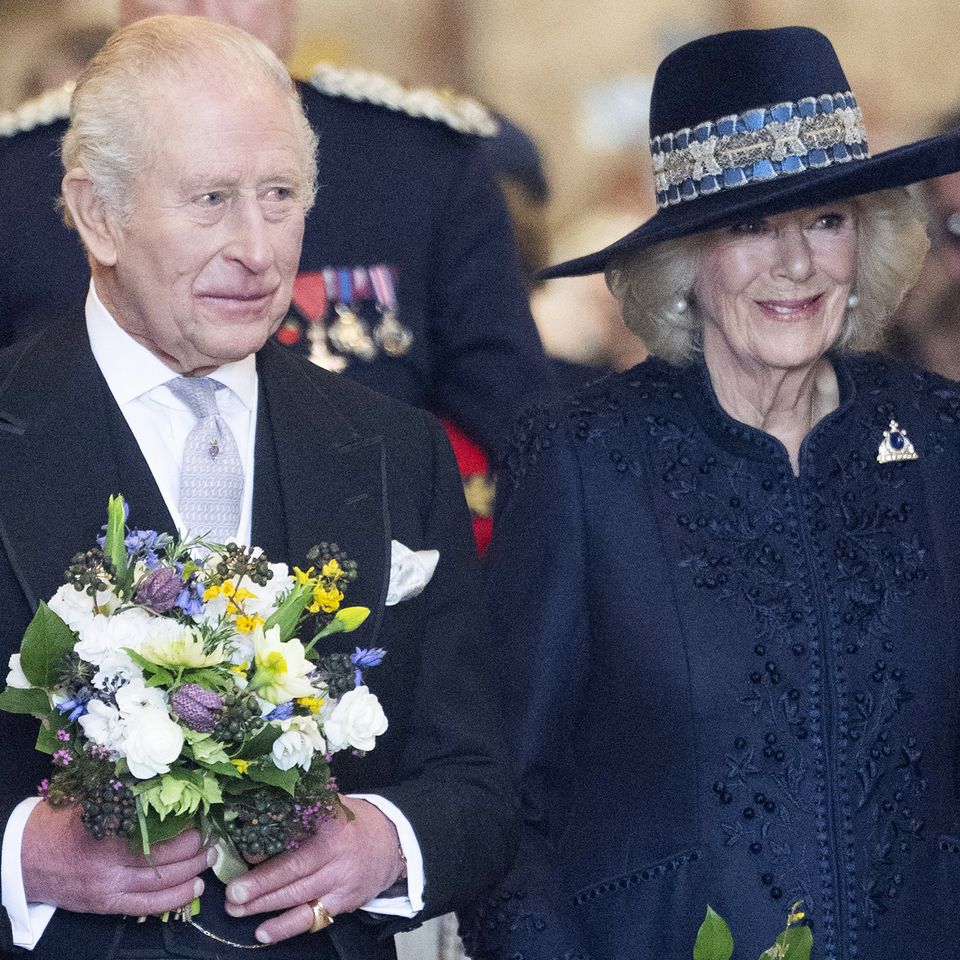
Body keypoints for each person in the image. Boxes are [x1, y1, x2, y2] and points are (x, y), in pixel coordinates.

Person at [0, 16, 513, 960]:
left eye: (280, 196)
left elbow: (476, 781)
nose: (258, 247)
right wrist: (22, 858)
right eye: (210, 200)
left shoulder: (398, 452)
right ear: (97, 213)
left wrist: (385, 843)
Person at [458, 26, 960, 960]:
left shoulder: (944, 440)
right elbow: (503, 804)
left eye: (827, 221)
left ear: (870, 242)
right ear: (685, 258)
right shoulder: (582, 459)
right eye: (750, 227)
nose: (797, 265)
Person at [0, 0, 550, 465]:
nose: (210, 11)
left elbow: (519, 434)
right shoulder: (18, 177)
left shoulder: (416, 161)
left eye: (281, 195)